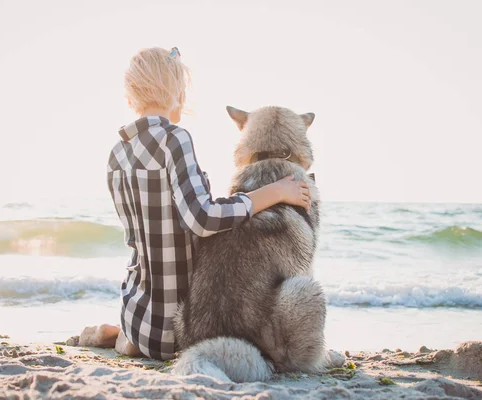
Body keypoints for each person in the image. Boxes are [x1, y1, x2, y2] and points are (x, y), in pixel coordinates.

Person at [75, 47, 311, 360]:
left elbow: (138, 235)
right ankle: (124, 339)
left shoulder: (117, 153)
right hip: (185, 327)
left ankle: (122, 335)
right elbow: (203, 217)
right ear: (177, 93)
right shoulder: (175, 139)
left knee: (141, 320)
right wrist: (276, 192)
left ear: (131, 96)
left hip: (137, 314)